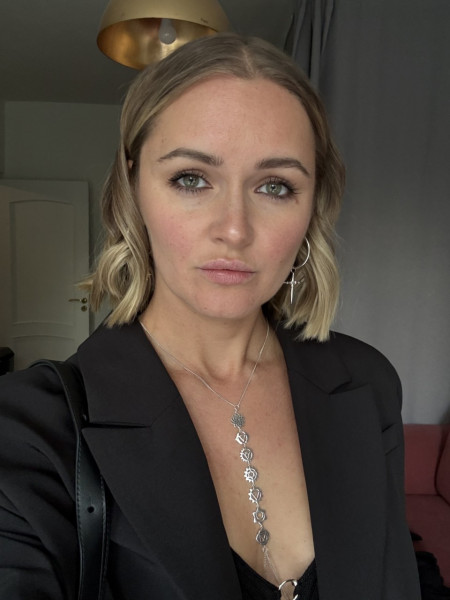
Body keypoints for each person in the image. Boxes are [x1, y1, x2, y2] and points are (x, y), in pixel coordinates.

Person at [0, 33, 420, 600]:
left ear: (313, 205)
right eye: (191, 179)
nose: (235, 229)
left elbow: (396, 565)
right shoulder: (30, 429)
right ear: (133, 188)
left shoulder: (366, 381)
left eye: (276, 186)